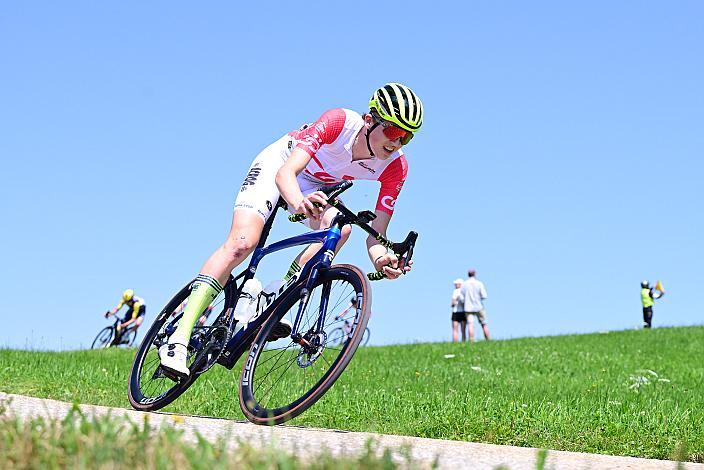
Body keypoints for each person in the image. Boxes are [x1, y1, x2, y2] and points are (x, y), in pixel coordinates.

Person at [159, 83, 423, 377]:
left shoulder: (396, 167)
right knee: (242, 243)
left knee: (342, 229)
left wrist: (381, 259)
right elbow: (286, 174)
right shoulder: (339, 123)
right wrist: (298, 202)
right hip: (282, 165)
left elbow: (377, 233)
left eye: (407, 137)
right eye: (393, 132)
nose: (397, 143)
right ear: (369, 120)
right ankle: (178, 339)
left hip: (319, 186)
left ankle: (275, 294)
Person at [462, 269, 490, 342]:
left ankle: (471, 341)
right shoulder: (479, 283)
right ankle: (488, 340)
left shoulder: (464, 284)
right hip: (479, 306)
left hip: (468, 307)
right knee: (484, 323)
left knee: (470, 324)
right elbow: (484, 295)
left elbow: (462, 298)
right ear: (475, 274)